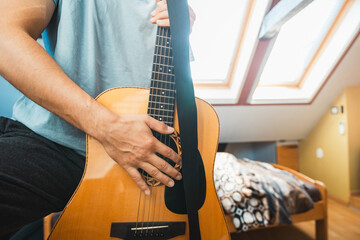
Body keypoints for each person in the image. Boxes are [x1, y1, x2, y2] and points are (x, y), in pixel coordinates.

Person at [0, 0, 195, 238]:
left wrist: (183, 28)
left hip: (146, 160)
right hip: (56, 143)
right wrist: (109, 129)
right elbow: (4, 36)